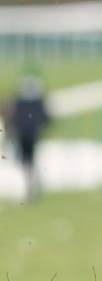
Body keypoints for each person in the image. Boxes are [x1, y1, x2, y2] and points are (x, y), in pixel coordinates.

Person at [6, 75, 51, 203]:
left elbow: (12, 117)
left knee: (25, 160)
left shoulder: (20, 101)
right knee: (28, 160)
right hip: (30, 135)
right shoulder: (36, 102)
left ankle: (29, 184)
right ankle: (30, 184)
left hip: (24, 134)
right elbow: (46, 118)